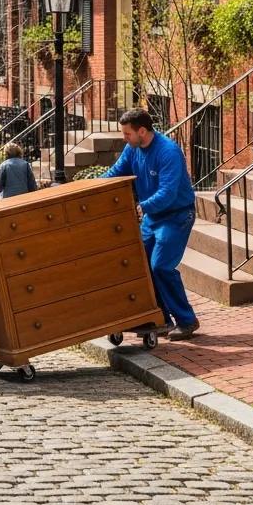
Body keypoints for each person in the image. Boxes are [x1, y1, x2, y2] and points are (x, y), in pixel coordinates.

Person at [102, 108, 200, 340]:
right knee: (140, 265)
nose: (124, 138)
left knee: (161, 266)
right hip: (153, 217)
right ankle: (160, 317)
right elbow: (115, 173)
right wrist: (90, 188)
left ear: (142, 131)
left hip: (176, 216)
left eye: (127, 134)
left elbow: (167, 192)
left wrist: (143, 206)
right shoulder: (132, 149)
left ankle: (186, 320)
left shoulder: (169, 152)